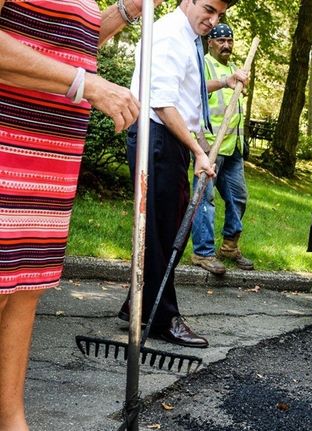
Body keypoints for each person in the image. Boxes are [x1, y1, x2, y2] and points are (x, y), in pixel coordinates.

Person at [0, 0, 156, 427]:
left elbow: (67, 44)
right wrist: (86, 84)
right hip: (7, 138)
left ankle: (12, 419)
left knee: (24, 288)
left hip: (52, 154)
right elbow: (74, 73)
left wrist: (126, 11)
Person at [118, 0, 243, 348]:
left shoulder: (188, 38)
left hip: (168, 140)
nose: (213, 19)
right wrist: (200, 151)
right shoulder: (171, 34)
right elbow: (162, 102)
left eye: (220, 15)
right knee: (162, 232)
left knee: (164, 226)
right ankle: (163, 318)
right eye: (208, 9)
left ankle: (136, 304)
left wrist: (199, 144)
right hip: (155, 137)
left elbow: (187, 101)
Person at [190, 23, 254, 275]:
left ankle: (229, 246)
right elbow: (194, 93)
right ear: (210, 43)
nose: (226, 45)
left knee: (238, 197)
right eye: (221, 41)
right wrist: (199, 143)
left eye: (230, 40)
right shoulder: (202, 63)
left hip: (233, 149)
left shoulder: (234, 70)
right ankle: (202, 253)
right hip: (208, 147)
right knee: (204, 200)